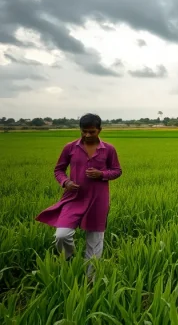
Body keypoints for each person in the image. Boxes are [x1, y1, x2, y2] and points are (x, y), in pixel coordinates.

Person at [35, 113, 122, 275]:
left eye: (92, 132)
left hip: (98, 199)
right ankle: (69, 261)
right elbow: (59, 169)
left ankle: (91, 279)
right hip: (74, 198)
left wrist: (101, 174)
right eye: (84, 131)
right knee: (62, 235)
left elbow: (117, 171)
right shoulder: (70, 147)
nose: (87, 135)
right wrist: (66, 182)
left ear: (99, 130)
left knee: (95, 241)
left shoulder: (109, 149)